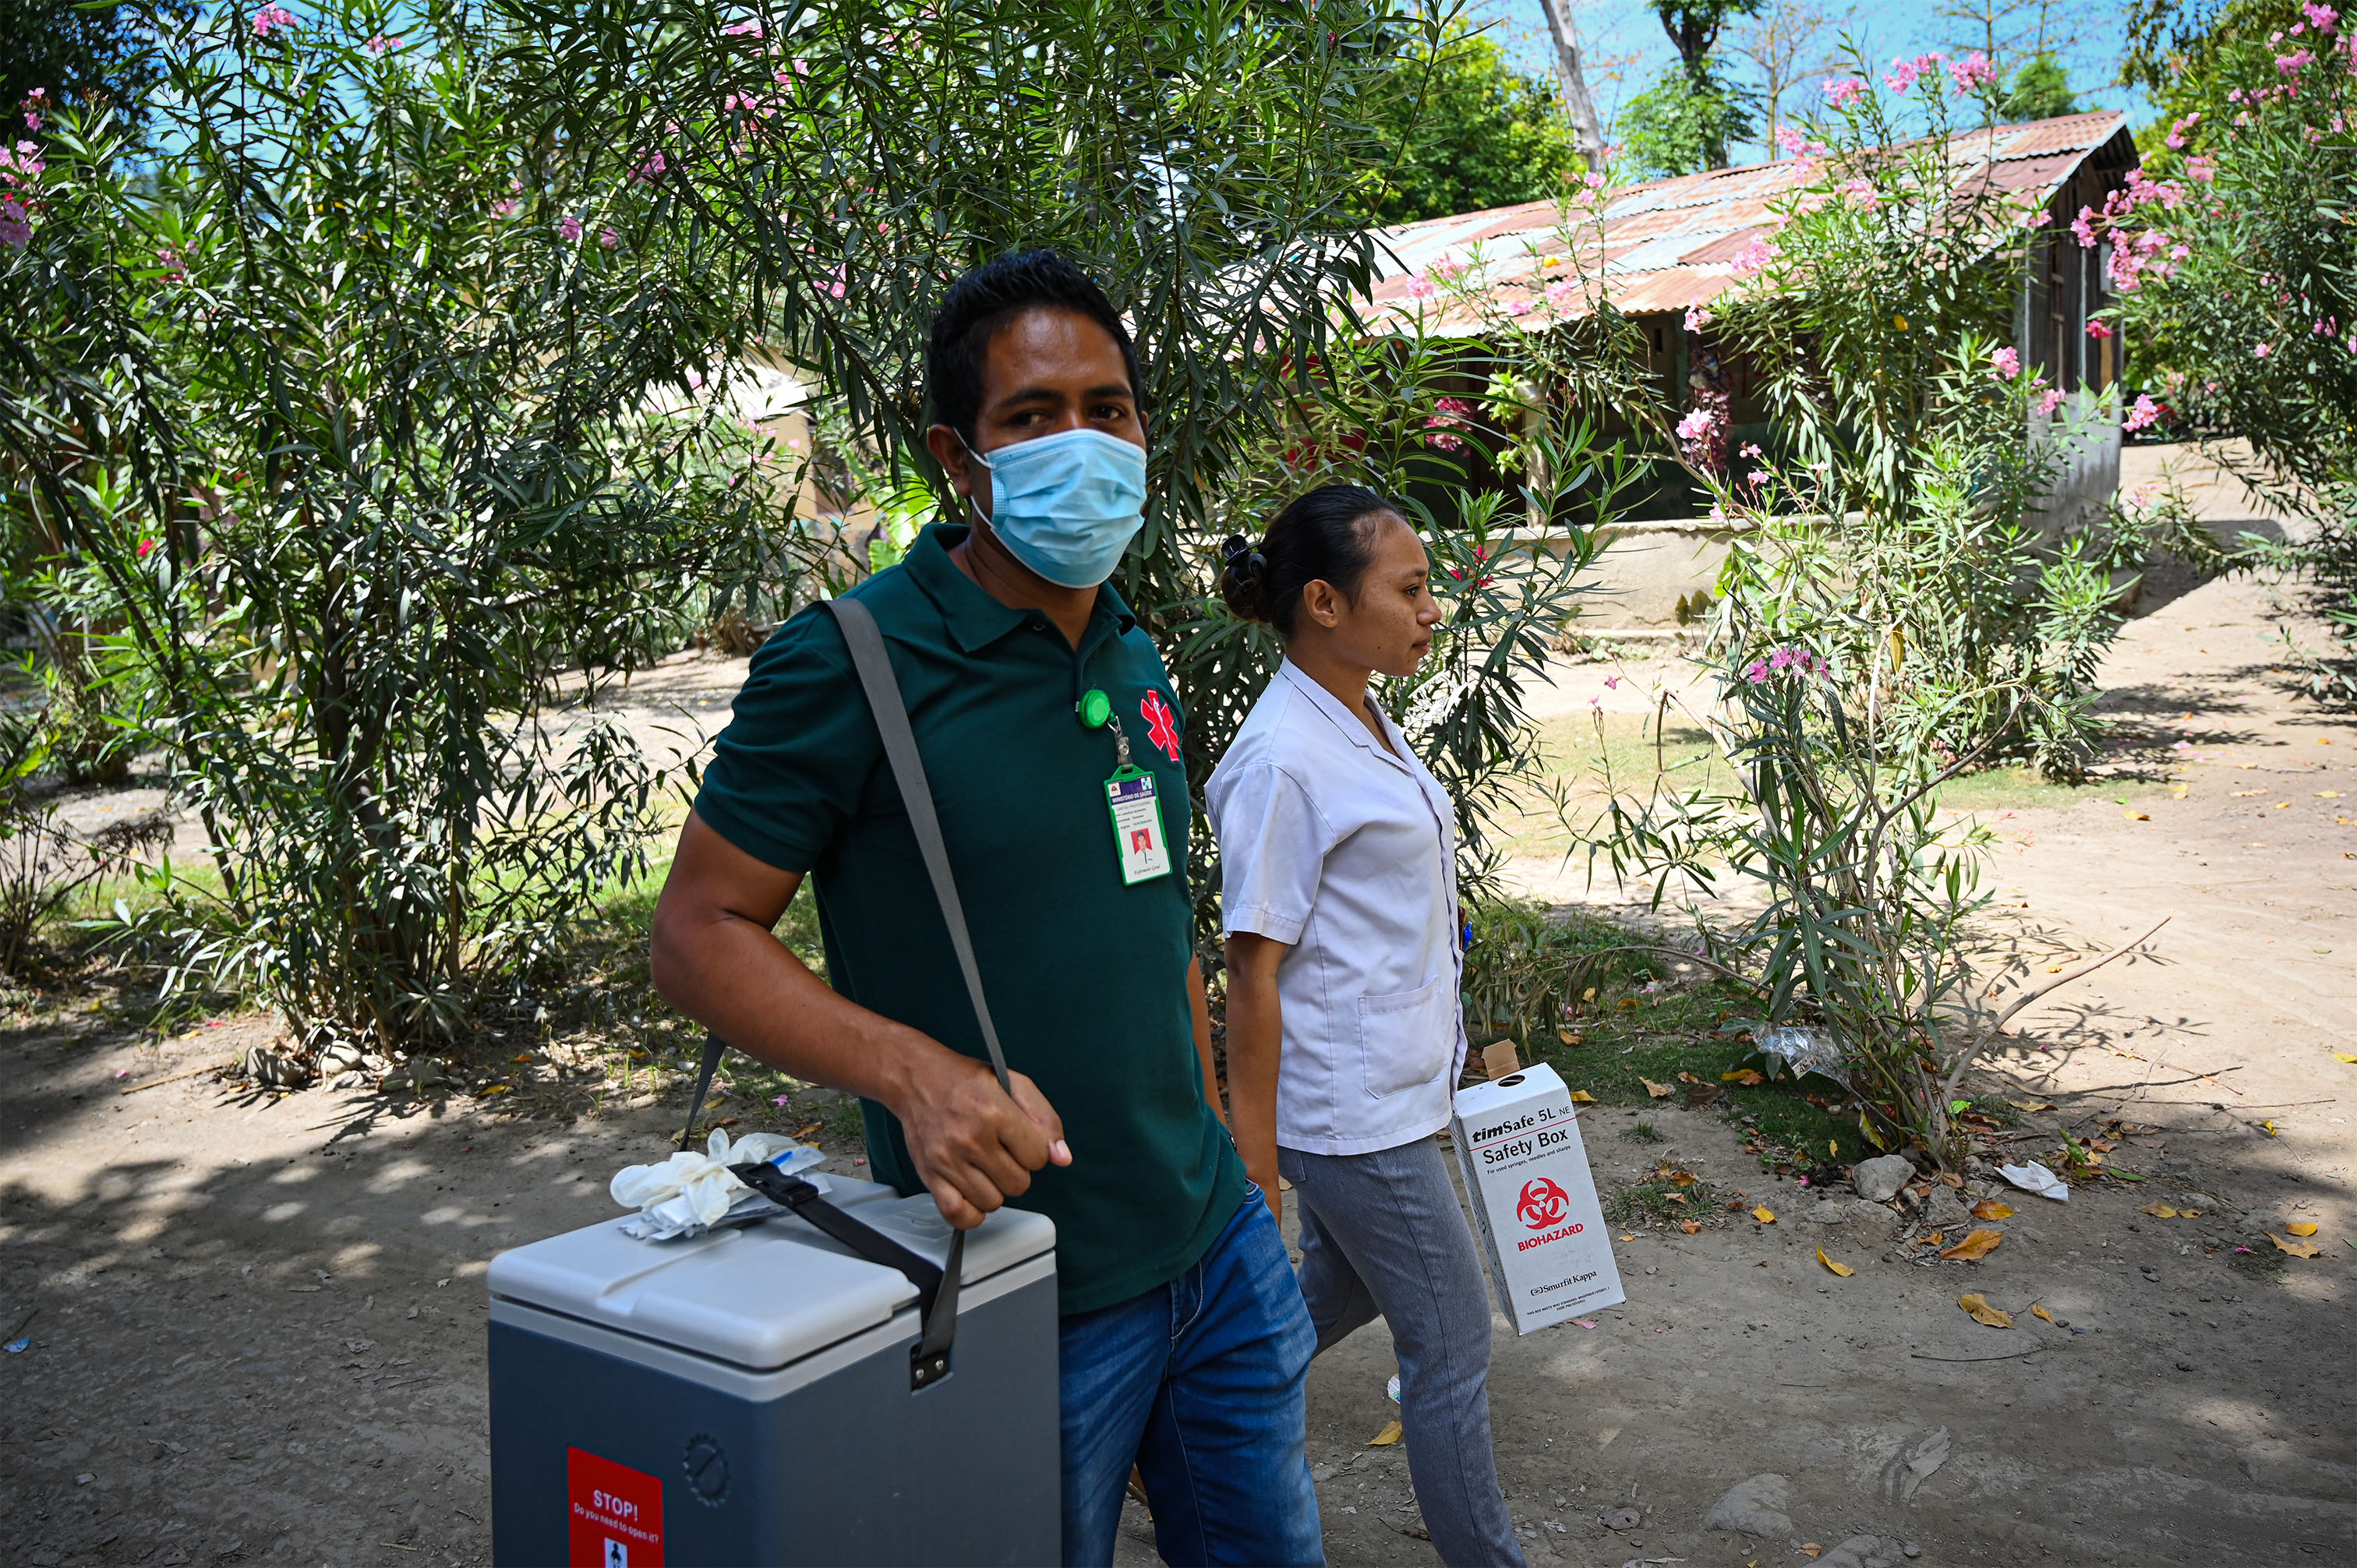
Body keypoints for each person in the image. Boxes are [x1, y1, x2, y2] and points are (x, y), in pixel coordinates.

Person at [647, 249, 1322, 1568]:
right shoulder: (851, 662)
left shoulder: (1131, 646)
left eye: (1108, 406)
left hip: (1214, 1252)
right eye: (1033, 415)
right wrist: (919, 1077)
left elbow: (1153, 914)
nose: (1084, 440)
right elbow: (694, 933)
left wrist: (1243, 1157)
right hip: (1018, 1288)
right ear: (961, 458)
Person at [1207, 486, 1525, 1568]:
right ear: (1325, 604)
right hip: (1350, 1116)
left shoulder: (1357, 708)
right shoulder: (1281, 759)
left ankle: (1177, 1423)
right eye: (1411, 587)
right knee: (1450, 1341)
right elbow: (1252, 969)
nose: (1434, 608)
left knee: (1314, 1308)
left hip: (1393, 1085)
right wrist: (1260, 1165)